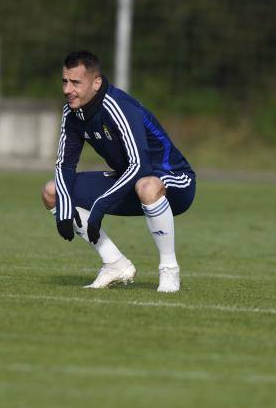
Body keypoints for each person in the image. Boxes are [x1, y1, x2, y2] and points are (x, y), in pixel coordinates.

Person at [41, 50, 196, 292]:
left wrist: (100, 205)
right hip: (131, 181)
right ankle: (115, 264)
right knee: (53, 192)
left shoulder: (117, 106)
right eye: (65, 81)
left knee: (147, 185)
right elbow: (65, 165)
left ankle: (169, 270)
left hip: (175, 181)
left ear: (96, 83)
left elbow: (140, 166)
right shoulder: (71, 113)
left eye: (76, 83)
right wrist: (64, 211)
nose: (67, 89)